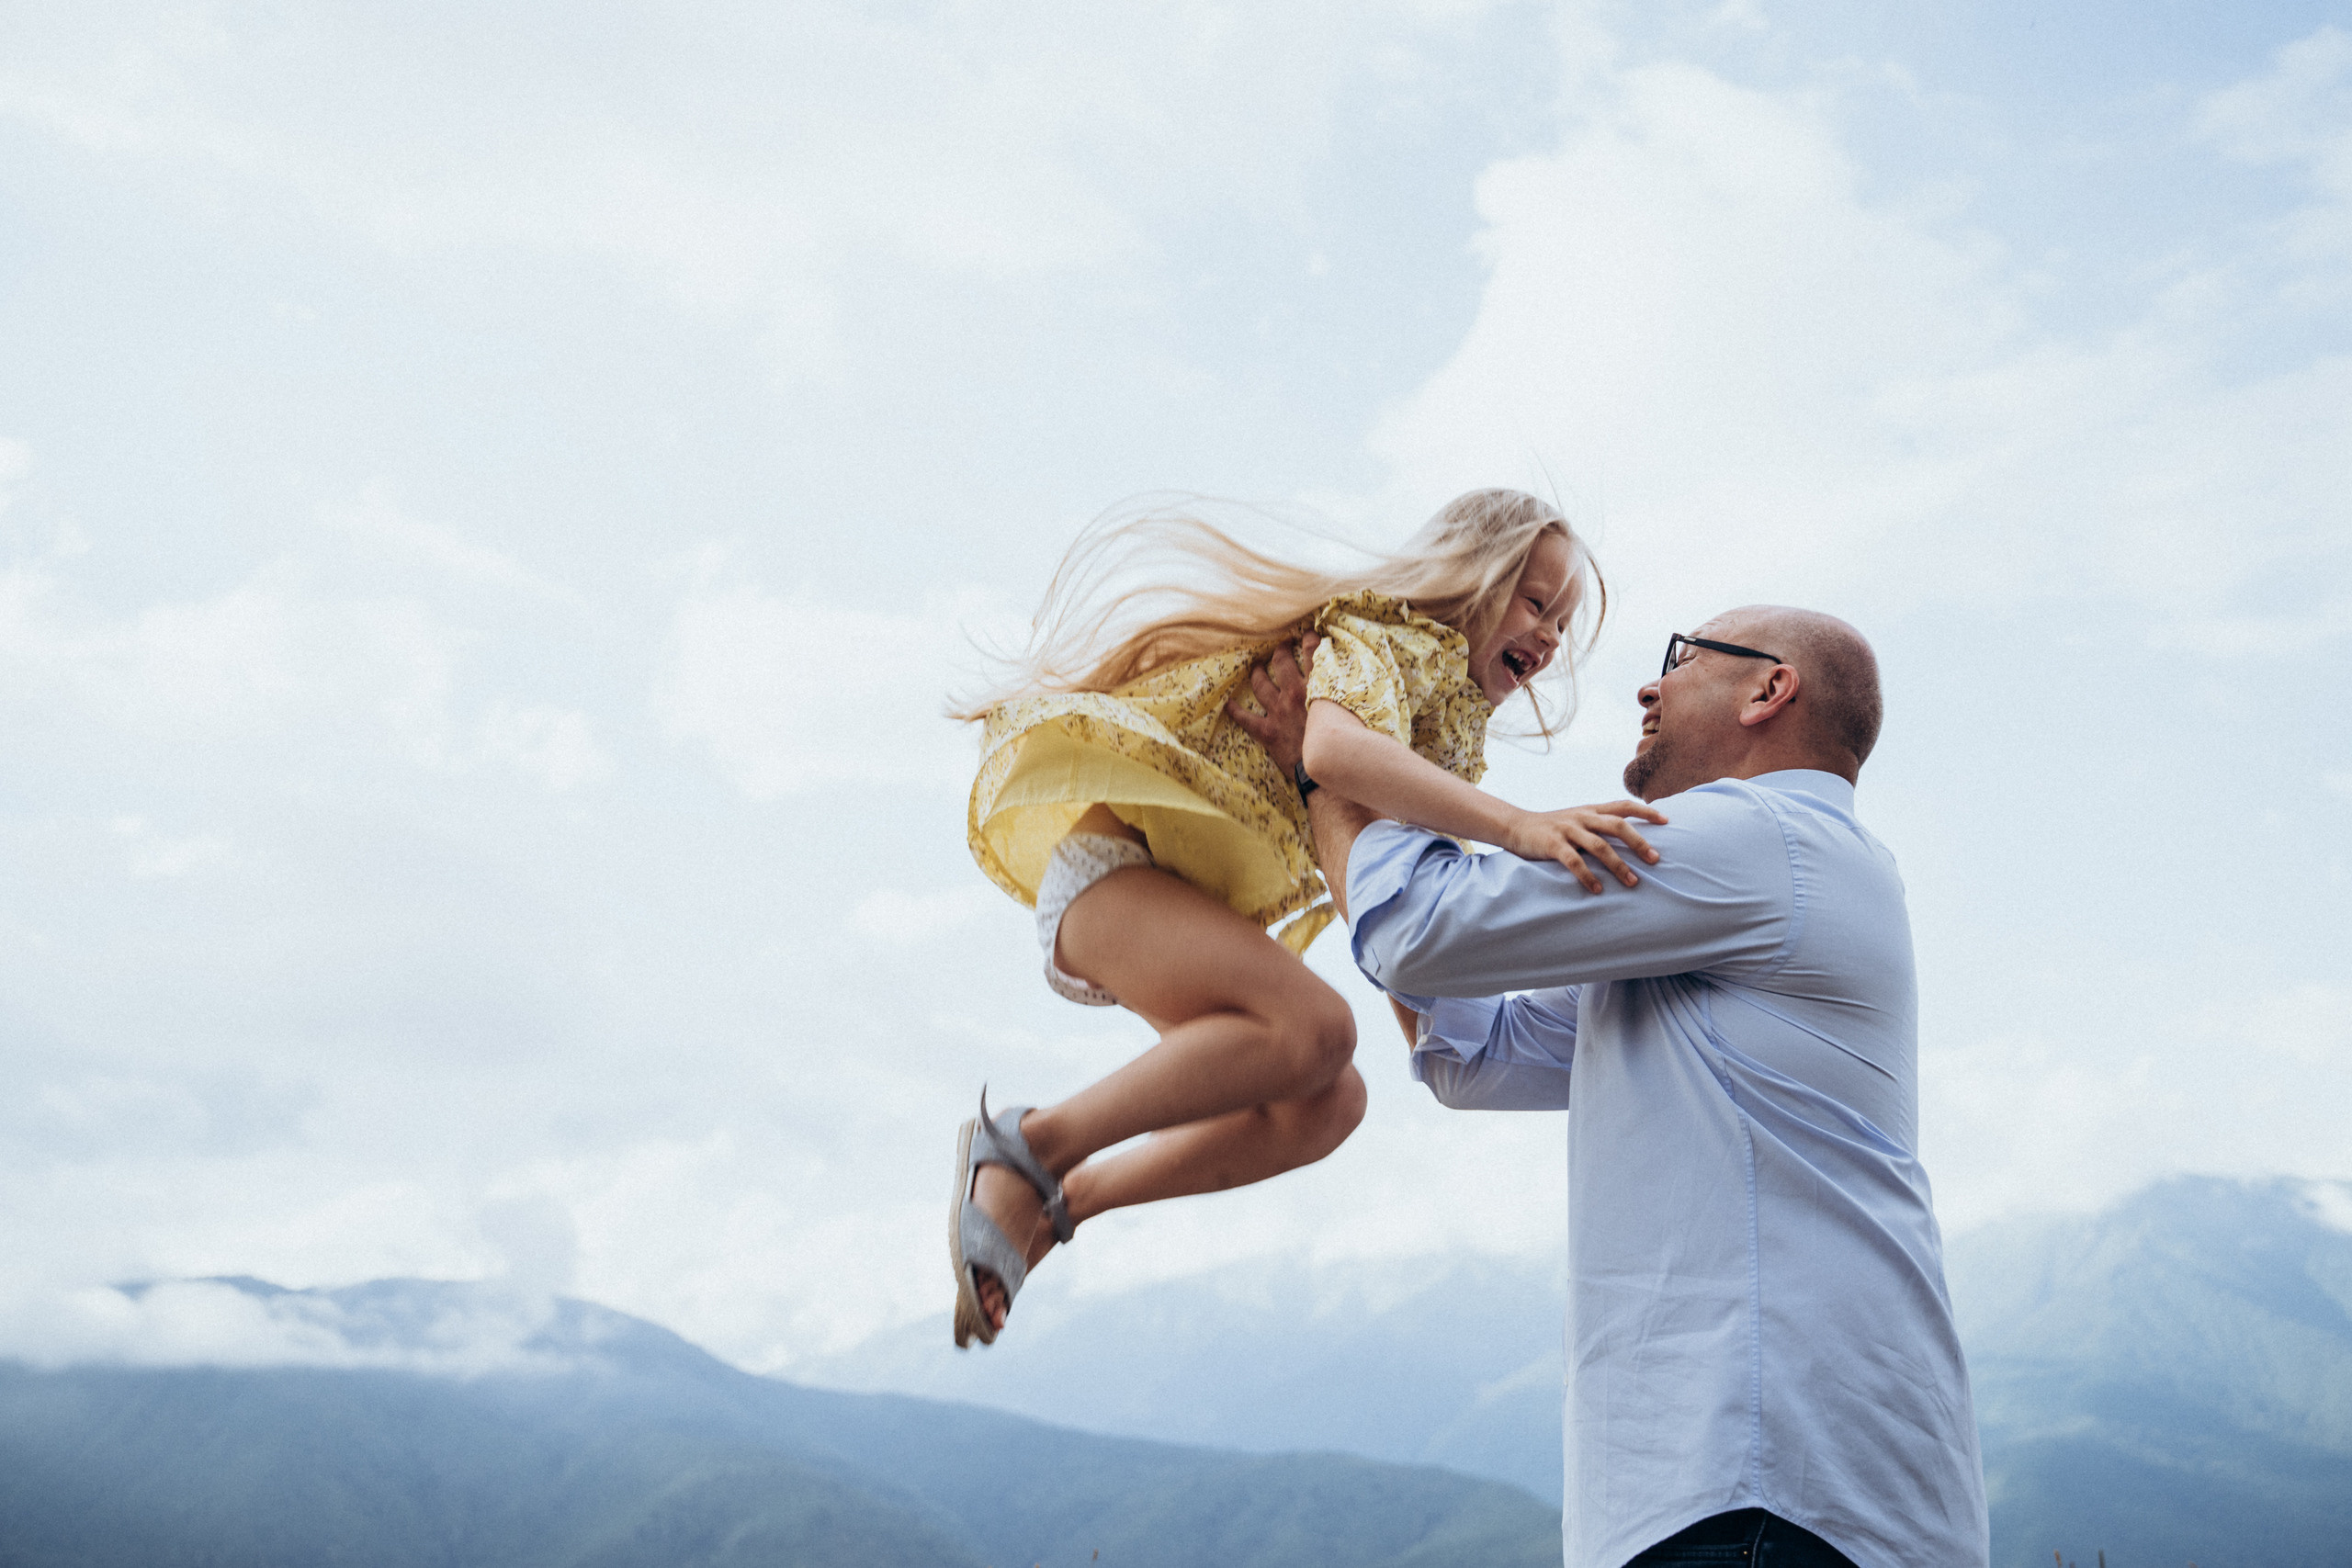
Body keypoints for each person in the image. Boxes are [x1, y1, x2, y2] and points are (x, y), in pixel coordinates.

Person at [1232, 607, 1988, 1567]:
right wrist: (1337, 793)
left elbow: (1424, 930)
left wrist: (1332, 763)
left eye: (1682, 658)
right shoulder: (1744, 889)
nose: (1647, 684)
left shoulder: (1758, 837)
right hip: (1765, 1490)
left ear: (1768, 690)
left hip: (1761, 1488)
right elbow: (1476, 1051)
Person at [946, 491, 1668, 1348]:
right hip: (1116, 879)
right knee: (1320, 1027)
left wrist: (1429, 1007)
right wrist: (1520, 827)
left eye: (1563, 622)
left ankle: (1064, 1203)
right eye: (1535, 602)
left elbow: (1396, 918)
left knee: (1329, 1102)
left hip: (1164, 909)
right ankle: (1025, 1144)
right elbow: (1328, 753)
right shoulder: (1385, 638)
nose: (1549, 636)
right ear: (1472, 579)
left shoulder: (1449, 739)